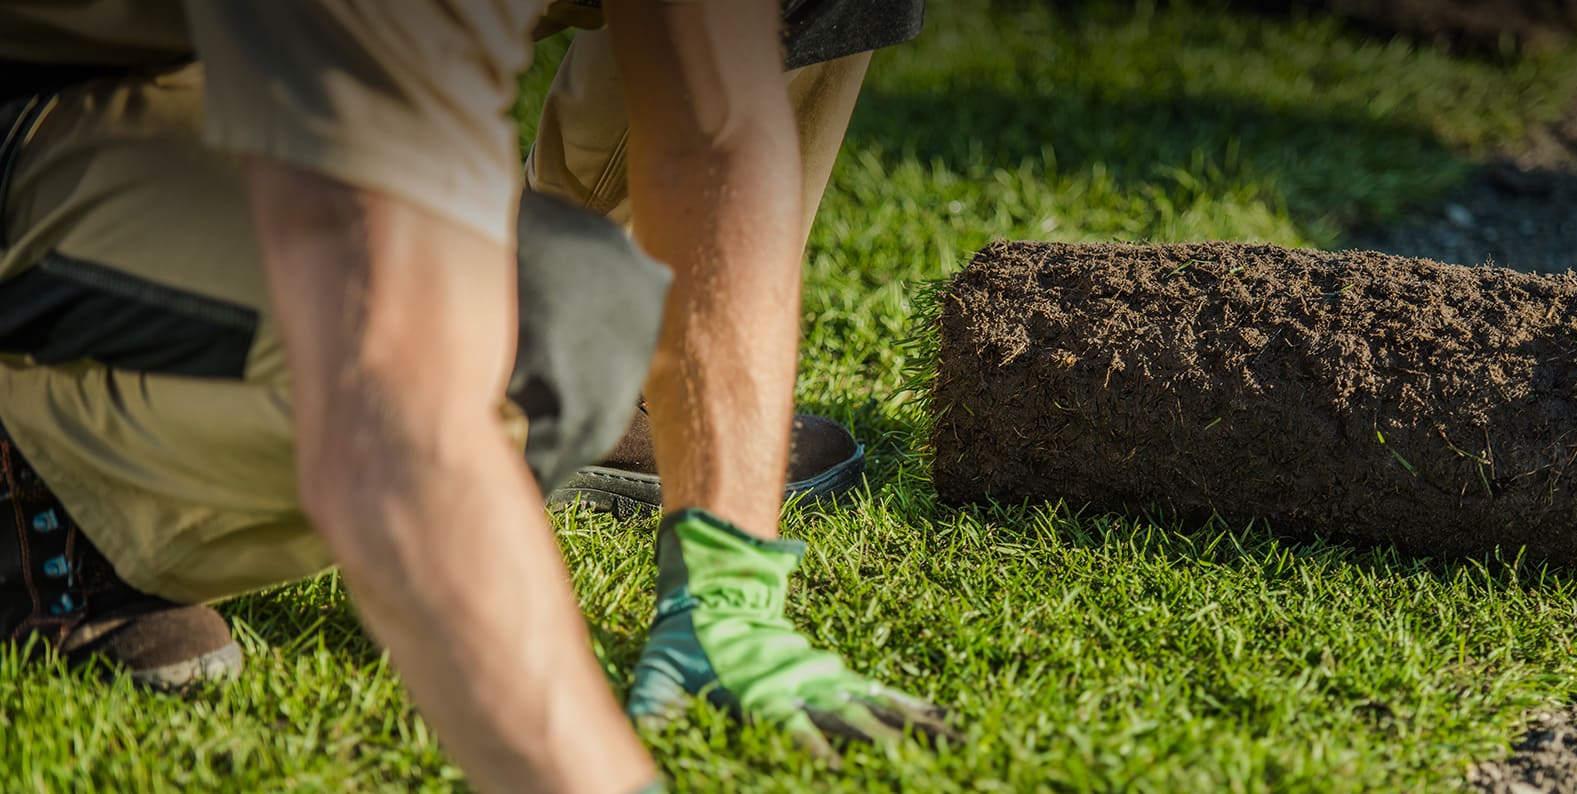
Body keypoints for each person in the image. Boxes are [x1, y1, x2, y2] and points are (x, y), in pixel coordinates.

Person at [0, 1, 954, 791]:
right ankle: (50, 490)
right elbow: (390, 401)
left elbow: (716, 132)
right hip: (47, 100)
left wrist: (729, 588)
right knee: (551, 323)